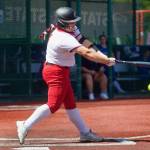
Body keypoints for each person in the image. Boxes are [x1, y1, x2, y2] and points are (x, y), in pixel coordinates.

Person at [16, 7, 116, 144]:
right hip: (55, 72)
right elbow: (85, 53)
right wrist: (105, 61)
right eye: (72, 22)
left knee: (70, 104)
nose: (74, 24)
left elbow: (84, 41)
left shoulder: (70, 29)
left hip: (60, 70)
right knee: (54, 105)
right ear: (63, 23)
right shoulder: (63, 38)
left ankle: (85, 132)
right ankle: (25, 125)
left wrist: (101, 55)